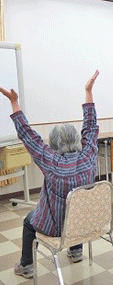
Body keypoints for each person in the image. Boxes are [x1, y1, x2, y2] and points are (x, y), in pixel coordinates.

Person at [0, 71, 100, 279]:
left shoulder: (52, 163)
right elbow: (90, 127)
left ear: (54, 144)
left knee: (29, 221)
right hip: (85, 225)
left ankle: (26, 266)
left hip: (56, 229)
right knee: (76, 205)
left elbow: (28, 136)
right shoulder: (88, 157)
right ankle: (76, 250)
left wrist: (15, 103)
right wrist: (88, 92)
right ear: (76, 139)